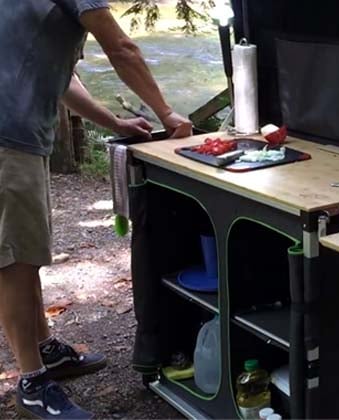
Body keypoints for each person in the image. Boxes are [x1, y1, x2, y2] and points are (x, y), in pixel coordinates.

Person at [0, 1, 193, 418]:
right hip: (6, 139)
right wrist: (166, 112)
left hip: (18, 139)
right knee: (13, 261)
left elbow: (63, 81)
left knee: (26, 253)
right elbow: (121, 47)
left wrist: (115, 122)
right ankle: (32, 383)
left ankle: (45, 350)